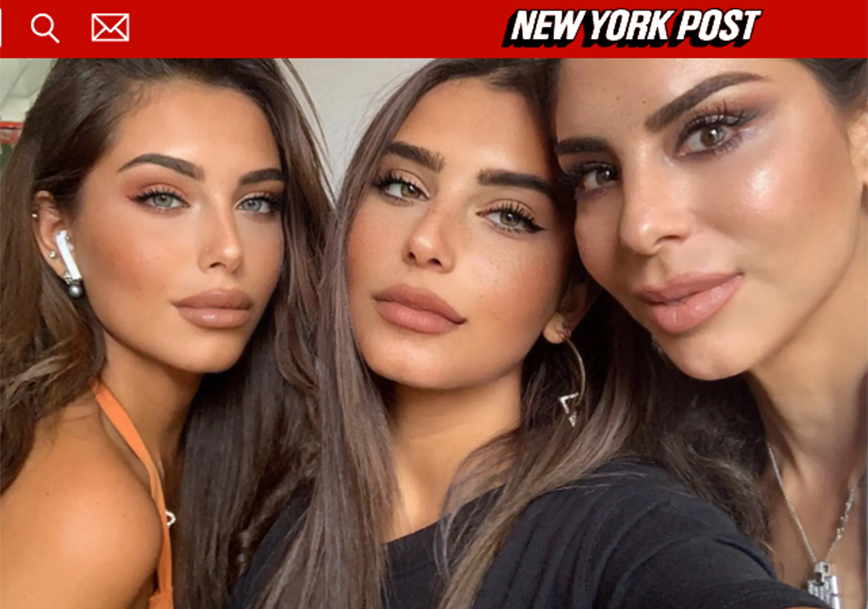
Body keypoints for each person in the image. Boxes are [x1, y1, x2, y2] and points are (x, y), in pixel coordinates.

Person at [232, 58, 828, 609]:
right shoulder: (279, 520)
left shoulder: (629, 528)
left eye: (508, 216)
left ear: (568, 303)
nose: (427, 242)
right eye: (402, 186)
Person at [0, 59, 330, 609]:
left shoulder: (219, 442)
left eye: (257, 202)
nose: (228, 249)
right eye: (163, 197)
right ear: (58, 232)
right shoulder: (89, 512)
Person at [552, 58, 867, 609]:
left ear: (861, 136)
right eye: (597, 174)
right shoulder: (641, 496)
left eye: (711, 134)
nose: (639, 228)